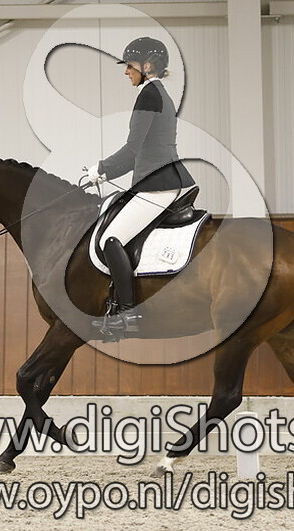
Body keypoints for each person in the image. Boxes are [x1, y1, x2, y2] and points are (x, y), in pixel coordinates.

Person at [86, 37, 196, 334]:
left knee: (111, 239)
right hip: (157, 180)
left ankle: (127, 313)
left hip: (157, 185)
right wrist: (105, 173)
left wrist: (101, 169)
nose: (126, 72)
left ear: (147, 66)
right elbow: (141, 152)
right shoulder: (157, 94)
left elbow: (132, 149)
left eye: (130, 66)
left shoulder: (149, 96)